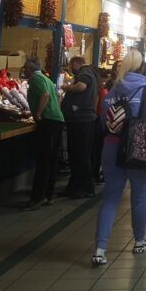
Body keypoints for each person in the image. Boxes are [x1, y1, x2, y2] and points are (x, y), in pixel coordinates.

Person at [92, 49, 146, 266]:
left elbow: (103, 120)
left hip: (111, 148)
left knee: (110, 198)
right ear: (142, 67)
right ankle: (140, 241)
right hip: (138, 149)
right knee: (139, 197)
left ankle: (100, 249)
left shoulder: (112, 90)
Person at [23, 57, 65, 210]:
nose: (24, 71)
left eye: (25, 68)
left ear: (29, 69)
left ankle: (38, 197)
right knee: (52, 160)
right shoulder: (46, 78)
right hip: (57, 120)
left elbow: (45, 95)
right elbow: (57, 97)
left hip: (48, 121)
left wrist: (39, 114)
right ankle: (49, 195)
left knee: (44, 160)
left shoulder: (36, 79)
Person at [61, 56, 99, 198]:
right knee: (79, 155)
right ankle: (75, 186)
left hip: (80, 120)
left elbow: (82, 86)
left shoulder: (84, 72)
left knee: (80, 155)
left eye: (72, 66)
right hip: (81, 119)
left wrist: (66, 87)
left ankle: (85, 187)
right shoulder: (90, 73)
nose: (71, 69)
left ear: (76, 63)